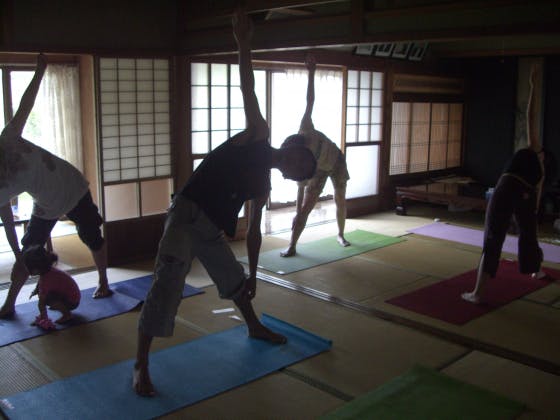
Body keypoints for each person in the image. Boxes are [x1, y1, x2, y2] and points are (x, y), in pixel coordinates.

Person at [132, 10, 316, 397]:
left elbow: (254, 233)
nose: (296, 164)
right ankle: (140, 364)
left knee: (235, 279)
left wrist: (255, 275)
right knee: (167, 284)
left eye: (300, 170)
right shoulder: (258, 134)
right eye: (300, 157)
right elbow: (248, 88)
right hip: (186, 214)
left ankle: (254, 326)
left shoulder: (263, 187)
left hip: (209, 228)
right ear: (289, 145)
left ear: (291, 177)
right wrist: (243, 43)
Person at [0, 54, 112, 319]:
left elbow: (26, 104)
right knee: (28, 250)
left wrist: (40, 71)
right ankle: (9, 304)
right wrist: (18, 254)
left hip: (72, 188)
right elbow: (7, 221)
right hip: (46, 205)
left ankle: (104, 282)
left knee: (91, 236)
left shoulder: (8, 138)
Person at [461, 63, 552, 304]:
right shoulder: (541, 170)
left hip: (508, 190)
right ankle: (535, 270)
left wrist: (533, 86)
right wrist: (533, 86)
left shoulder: (535, 151)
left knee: (493, 238)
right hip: (523, 194)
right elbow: (536, 199)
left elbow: (531, 117)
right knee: (528, 233)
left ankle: (478, 293)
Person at [280, 54, 350, 258]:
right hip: (318, 171)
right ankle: (292, 245)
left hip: (336, 160)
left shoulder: (305, 129)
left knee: (340, 198)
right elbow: (300, 189)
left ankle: (340, 234)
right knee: (305, 210)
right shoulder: (300, 163)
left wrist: (311, 72)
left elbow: (310, 100)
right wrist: (297, 213)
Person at [24, 245, 81, 329]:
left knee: (48, 300)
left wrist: (44, 317)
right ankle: (60, 305)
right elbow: (40, 283)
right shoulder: (47, 272)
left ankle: (67, 314)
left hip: (72, 302)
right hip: (72, 297)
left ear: (35, 269)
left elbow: (41, 303)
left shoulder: (47, 279)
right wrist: (36, 290)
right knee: (45, 296)